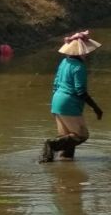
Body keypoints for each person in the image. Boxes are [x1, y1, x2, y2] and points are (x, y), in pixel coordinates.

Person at [40, 30, 104, 163]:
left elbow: (56, 84)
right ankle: (52, 145)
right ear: (82, 52)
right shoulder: (79, 67)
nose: (88, 53)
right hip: (69, 103)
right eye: (87, 51)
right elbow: (80, 91)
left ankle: (65, 163)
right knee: (81, 135)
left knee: (68, 138)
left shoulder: (64, 62)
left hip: (57, 101)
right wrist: (96, 108)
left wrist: (58, 101)